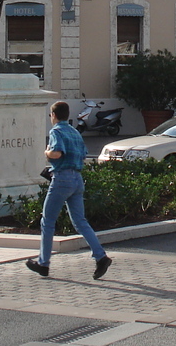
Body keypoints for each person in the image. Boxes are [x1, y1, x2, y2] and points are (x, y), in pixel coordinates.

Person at [27, 101, 112, 280]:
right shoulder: (75, 132)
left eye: (50, 115)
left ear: (54, 115)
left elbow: (57, 153)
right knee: (80, 221)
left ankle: (44, 264)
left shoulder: (56, 131)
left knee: (48, 221)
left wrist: (47, 153)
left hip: (62, 179)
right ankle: (100, 256)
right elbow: (83, 153)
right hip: (77, 179)